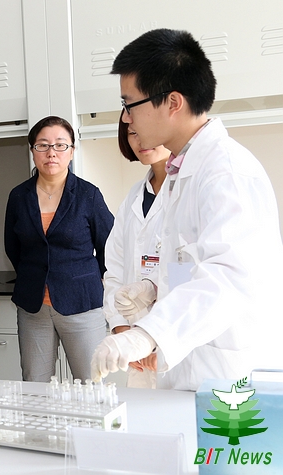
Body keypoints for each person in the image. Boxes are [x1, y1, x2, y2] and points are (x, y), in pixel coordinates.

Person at [91, 28, 283, 390]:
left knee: (222, 430)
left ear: (173, 103)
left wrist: (147, 334)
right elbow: (188, 263)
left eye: (130, 104)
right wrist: (153, 288)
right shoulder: (183, 173)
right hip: (190, 370)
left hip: (225, 376)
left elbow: (230, 277)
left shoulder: (226, 172)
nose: (126, 118)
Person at [4, 116, 114, 382]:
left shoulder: (88, 195)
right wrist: (35, 274)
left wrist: (95, 279)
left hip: (82, 304)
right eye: (42, 145)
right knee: (35, 383)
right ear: (33, 151)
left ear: (71, 151)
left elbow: (110, 248)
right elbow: (13, 247)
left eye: (60, 145)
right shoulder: (19, 196)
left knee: (91, 383)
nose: (51, 152)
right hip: (33, 307)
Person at [102, 112, 170, 388]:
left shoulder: (186, 191)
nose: (141, 140)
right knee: (142, 411)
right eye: (132, 133)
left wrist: (161, 339)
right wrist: (122, 329)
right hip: (135, 340)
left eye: (146, 129)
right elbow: (114, 268)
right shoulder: (133, 197)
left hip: (174, 341)